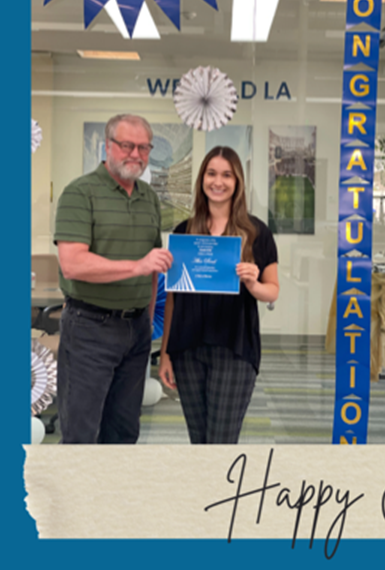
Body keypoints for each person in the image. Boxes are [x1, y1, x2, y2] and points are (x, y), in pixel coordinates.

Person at [54, 113, 173, 443]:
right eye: (127, 145)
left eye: (144, 147)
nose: (136, 154)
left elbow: (152, 269)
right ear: (107, 147)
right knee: (81, 432)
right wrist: (136, 266)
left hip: (136, 332)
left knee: (123, 432)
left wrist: (147, 322)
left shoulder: (149, 198)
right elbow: (73, 264)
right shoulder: (80, 193)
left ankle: (111, 495)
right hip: (90, 328)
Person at [159, 147, 279, 444]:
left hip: (235, 349)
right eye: (211, 173)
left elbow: (272, 290)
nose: (218, 181)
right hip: (188, 350)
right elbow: (173, 299)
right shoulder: (184, 232)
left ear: (237, 181)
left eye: (227, 175)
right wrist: (165, 353)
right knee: (199, 442)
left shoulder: (257, 232)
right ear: (202, 179)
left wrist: (252, 284)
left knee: (221, 442)